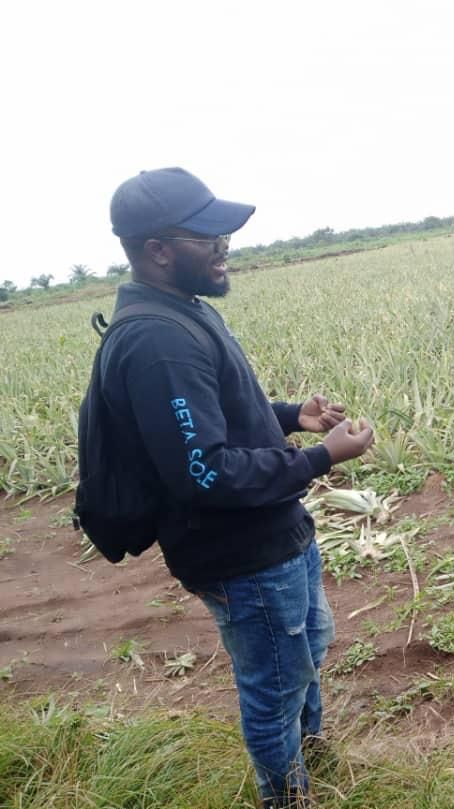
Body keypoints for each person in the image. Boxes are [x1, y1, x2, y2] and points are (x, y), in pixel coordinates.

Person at [103, 167, 375, 807]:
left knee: (306, 652)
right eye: (209, 235)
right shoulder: (157, 342)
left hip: (275, 534)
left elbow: (215, 419)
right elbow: (204, 472)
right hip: (243, 557)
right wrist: (320, 458)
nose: (225, 245)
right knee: (275, 686)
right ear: (158, 250)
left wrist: (291, 417)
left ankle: (311, 762)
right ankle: (287, 798)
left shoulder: (184, 312)